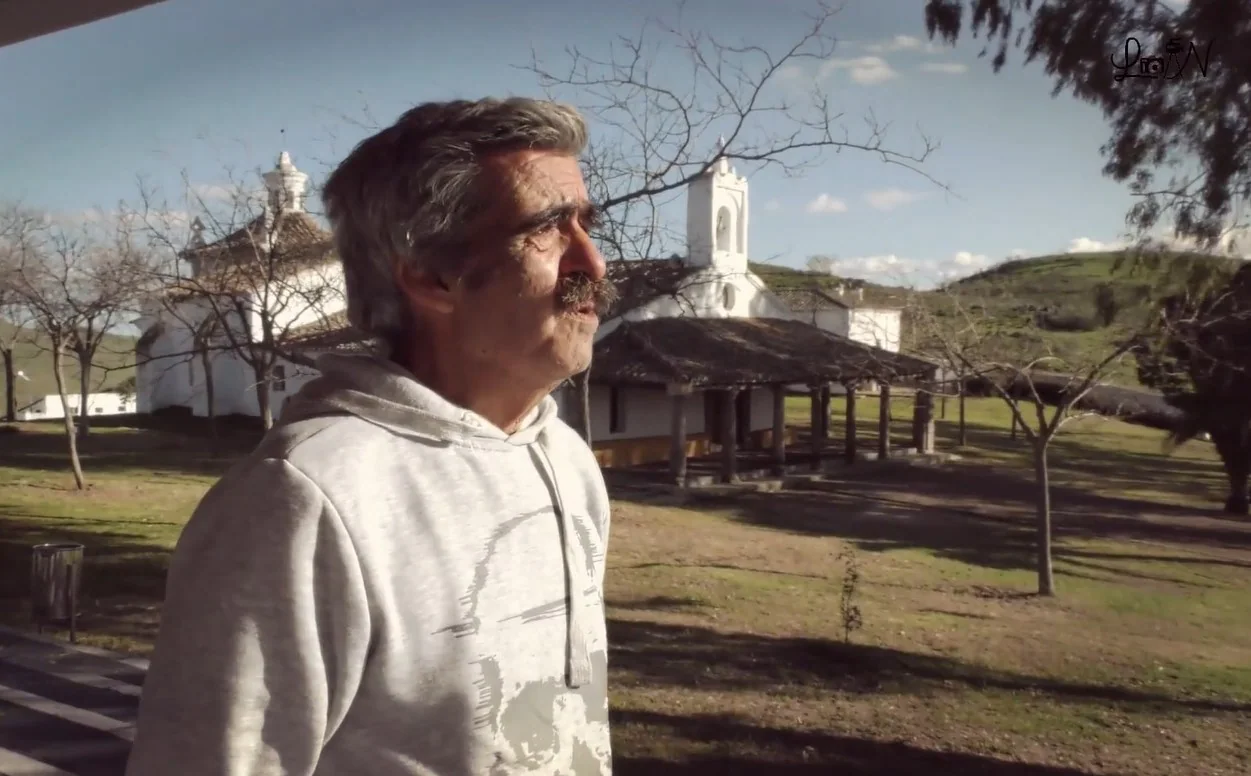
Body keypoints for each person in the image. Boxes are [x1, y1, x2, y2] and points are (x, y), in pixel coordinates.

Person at [125, 98, 619, 776]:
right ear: (426, 275)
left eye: (586, 225)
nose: (591, 264)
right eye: (544, 231)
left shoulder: (564, 459)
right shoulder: (299, 501)